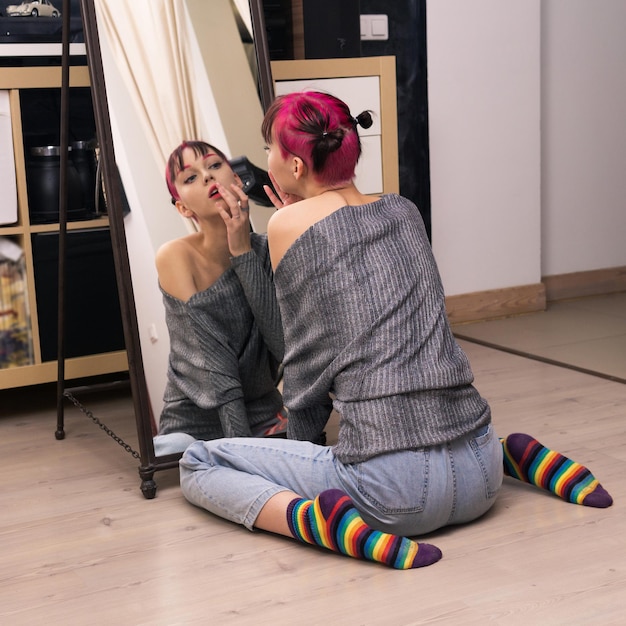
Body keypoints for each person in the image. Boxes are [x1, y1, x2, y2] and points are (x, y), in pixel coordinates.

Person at [179, 92, 613, 569]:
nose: (264, 162)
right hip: (480, 472)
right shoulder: (403, 209)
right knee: (459, 433)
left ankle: (321, 526)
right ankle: (517, 455)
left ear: (297, 167)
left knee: (198, 463)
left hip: (395, 499)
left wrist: (298, 454)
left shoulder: (286, 224)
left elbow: (302, 366)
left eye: (269, 151)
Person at [152, 141, 288, 456]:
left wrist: (242, 252)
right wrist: (244, 454)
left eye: (214, 166)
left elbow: (282, 346)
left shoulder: (269, 248)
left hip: (264, 412)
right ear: (183, 208)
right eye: (190, 177)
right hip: (193, 421)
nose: (207, 177)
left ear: (237, 180)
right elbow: (214, 362)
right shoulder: (175, 256)